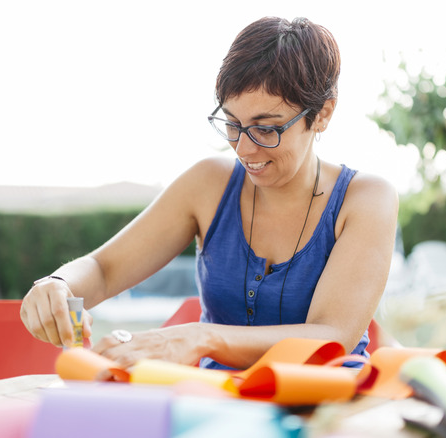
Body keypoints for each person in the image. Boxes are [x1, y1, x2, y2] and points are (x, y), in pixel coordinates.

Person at [20, 16, 398, 372]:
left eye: (267, 129)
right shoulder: (208, 184)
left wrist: (202, 337)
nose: (243, 149)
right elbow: (104, 270)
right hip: (214, 408)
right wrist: (58, 284)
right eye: (233, 124)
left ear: (323, 114)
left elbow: (332, 337)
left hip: (330, 411)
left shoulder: (365, 199)